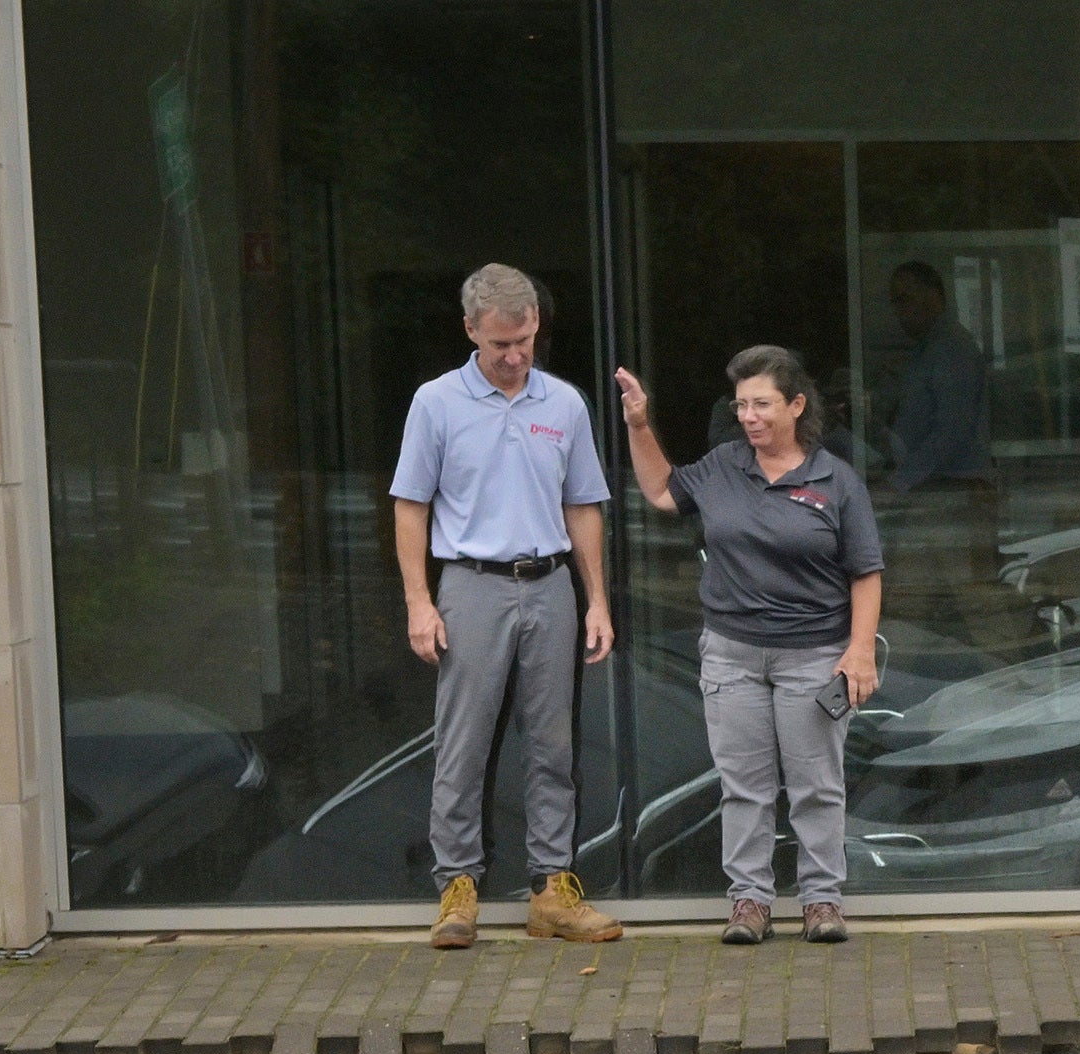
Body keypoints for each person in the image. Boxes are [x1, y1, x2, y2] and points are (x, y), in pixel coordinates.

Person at [614, 346, 886, 944]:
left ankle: (821, 901)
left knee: (816, 785)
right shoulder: (722, 465)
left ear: (796, 405)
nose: (749, 416)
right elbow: (662, 492)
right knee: (744, 787)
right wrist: (639, 424)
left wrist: (859, 650)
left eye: (762, 404)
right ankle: (749, 903)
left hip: (814, 655)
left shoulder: (835, 479)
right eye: (741, 405)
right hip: (732, 654)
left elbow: (866, 571)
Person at [390, 262, 621, 948]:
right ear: (470, 331)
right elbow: (410, 506)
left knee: (553, 741)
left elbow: (583, 504)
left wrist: (597, 600)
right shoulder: (435, 402)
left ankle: (552, 888)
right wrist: (419, 602)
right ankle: (458, 887)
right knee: (464, 739)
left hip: (550, 581)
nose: (515, 356)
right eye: (500, 345)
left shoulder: (564, 404)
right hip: (471, 581)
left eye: (524, 340)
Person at [879, 263, 996, 643]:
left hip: (952, 492)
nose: (899, 310)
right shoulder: (929, 350)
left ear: (935, 297)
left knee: (975, 606)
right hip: (932, 493)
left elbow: (951, 431)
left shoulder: (951, 349)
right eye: (894, 301)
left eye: (905, 299)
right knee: (916, 604)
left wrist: (898, 484)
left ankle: (1020, 682)